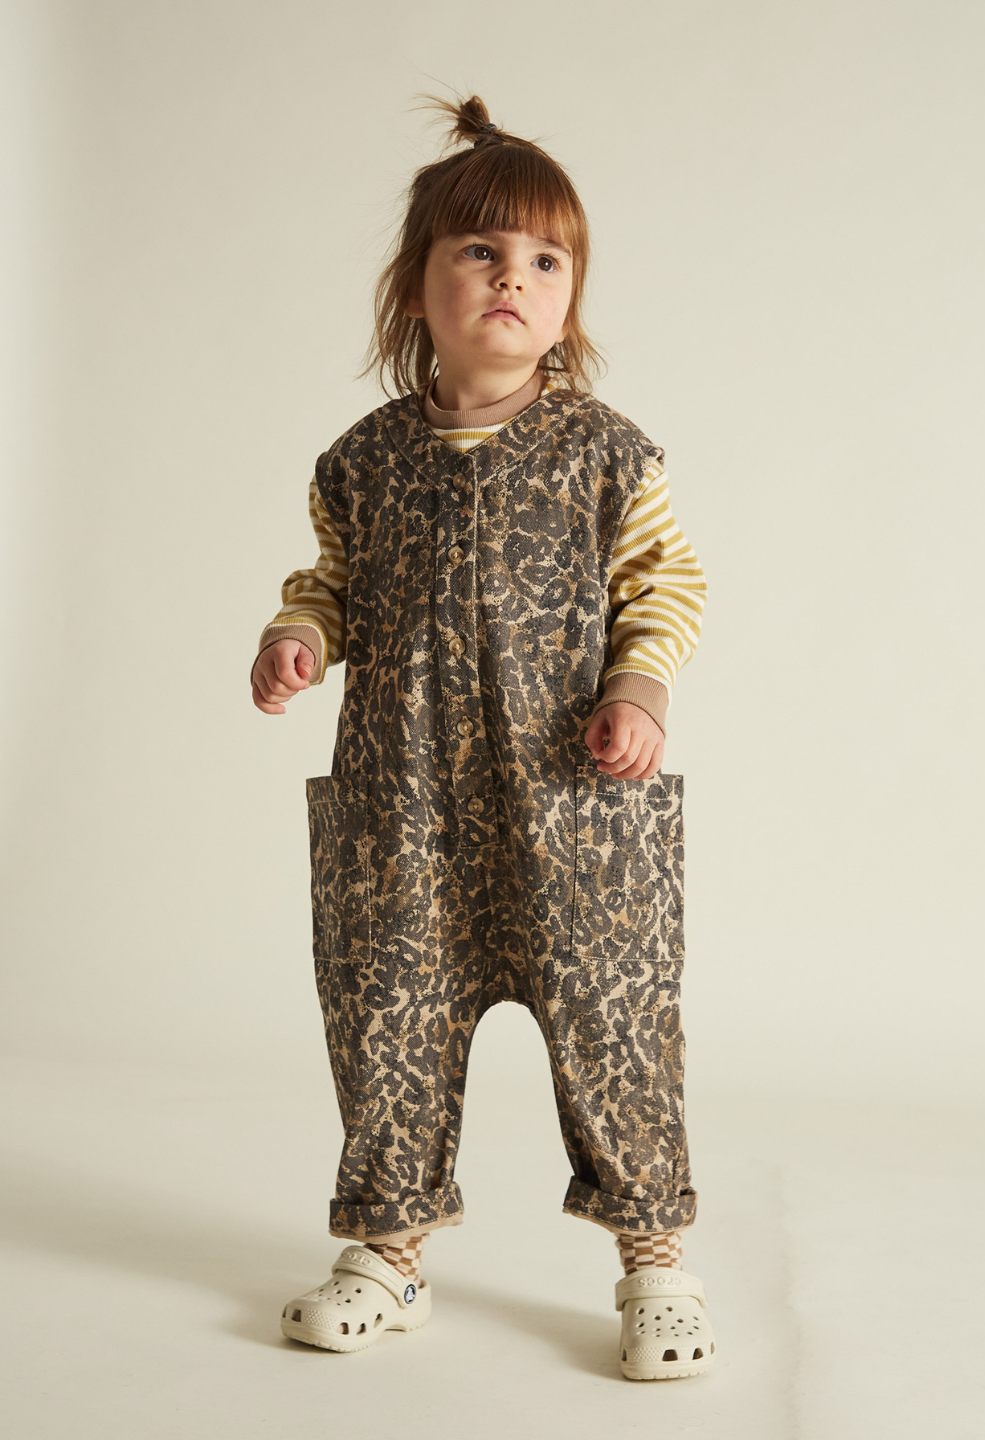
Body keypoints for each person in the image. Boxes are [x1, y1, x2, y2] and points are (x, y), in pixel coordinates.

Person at [250, 93, 713, 1382]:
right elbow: (330, 583)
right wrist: (300, 637)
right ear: (415, 288)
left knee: (615, 1032)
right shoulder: (364, 463)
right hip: (401, 815)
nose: (514, 279)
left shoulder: (609, 456)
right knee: (386, 1019)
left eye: (545, 262)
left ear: (571, 302)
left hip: (574, 811)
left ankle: (655, 1261)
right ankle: (387, 1253)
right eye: (481, 253)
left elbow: (666, 586)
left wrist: (642, 693)